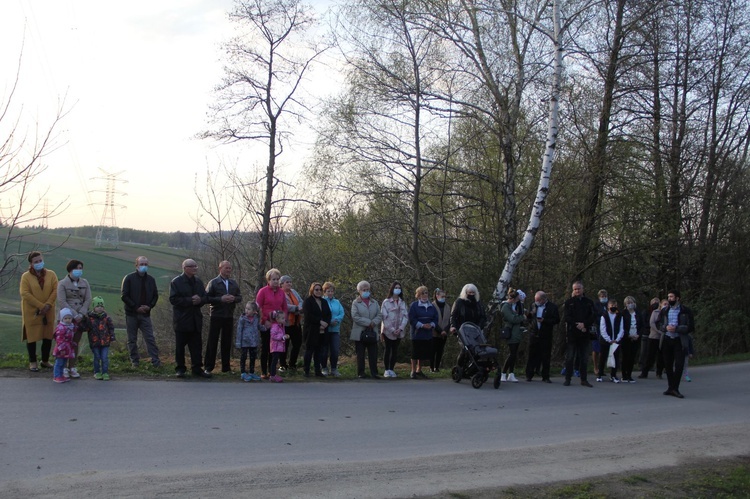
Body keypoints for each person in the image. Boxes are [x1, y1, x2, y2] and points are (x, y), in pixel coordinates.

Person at [169, 258, 211, 379]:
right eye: (192, 266)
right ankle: (180, 369)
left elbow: (205, 297)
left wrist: (200, 300)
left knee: (196, 346)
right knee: (180, 346)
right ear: (185, 268)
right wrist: (190, 300)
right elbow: (173, 299)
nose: (195, 268)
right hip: (182, 319)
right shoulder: (176, 282)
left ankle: (197, 369)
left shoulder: (198, 282)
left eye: (196, 266)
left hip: (195, 319)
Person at [20, 251, 58, 372]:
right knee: (32, 337)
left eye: (40, 260)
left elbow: (55, 290)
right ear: (31, 263)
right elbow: (25, 293)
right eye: (36, 262)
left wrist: (48, 305)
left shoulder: (51, 274)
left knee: (47, 336)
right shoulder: (26, 276)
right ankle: (32, 362)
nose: (39, 263)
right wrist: (41, 306)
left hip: (48, 311)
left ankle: (45, 361)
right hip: (32, 311)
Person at [121, 256, 161, 368]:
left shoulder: (151, 280)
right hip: (132, 314)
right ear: (136, 265)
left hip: (146, 314)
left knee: (150, 338)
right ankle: (135, 362)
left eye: (146, 264)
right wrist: (135, 307)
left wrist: (149, 306)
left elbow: (155, 295)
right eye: (141, 264)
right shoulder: (129, 278)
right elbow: (124, 296)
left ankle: (156, 362)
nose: (144, 266)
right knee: (132, 340)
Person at [204, 261, 242, 374]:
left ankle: (226, 368)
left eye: (230, 268)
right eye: (226, 268)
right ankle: (208, 367)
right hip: (216, 315)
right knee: (212, 342)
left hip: (229, 316)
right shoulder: (213, 283)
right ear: (220, 268)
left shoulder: (233, 283)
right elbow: (206, 298)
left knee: (227, 342)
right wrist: (220, 299)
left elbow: (240, 297)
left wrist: (233, 299)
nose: (228, 270)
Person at [56, 259, 92, 379]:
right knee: (64, 343)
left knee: (75, 343)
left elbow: (88, 299)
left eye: (81, 268)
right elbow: (62, 301)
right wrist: (73, 315)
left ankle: (72, 366)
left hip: (80, 318)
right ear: (71, 269)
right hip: (67, 317)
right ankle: (63, 367)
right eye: (77, 268)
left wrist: (81, 314)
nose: (79, 270)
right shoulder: (62, 283)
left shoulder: (85, 282)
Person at [657, 290, 694, 398]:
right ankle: (670, 387)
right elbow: (659, 324)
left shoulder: (685, 311)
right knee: (668, 365)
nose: (669, 299)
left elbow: (690, 327)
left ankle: (675, 388)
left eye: (671, 297)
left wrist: (677, 329)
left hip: (679, 340)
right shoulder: (664, 310)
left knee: (679, 365)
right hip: (667, 339)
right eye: (668, 297)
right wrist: (665, 327)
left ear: (677, 298)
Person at [255, 268, 287, 380]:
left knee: (274, 349)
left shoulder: (281, 292)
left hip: (278, 325)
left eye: (277, 279)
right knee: (265, 348)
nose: (276, 281)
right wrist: (265, 320)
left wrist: (283, 320)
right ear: (268, 280)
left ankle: (272, 371)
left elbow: (284, 307)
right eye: (273, 279)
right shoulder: (262, 291)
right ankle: (264, 371)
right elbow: (257, 308)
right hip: (267, 324)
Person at [563, 281, 595, 387]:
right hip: (572, 333)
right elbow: (567, 317)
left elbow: (593, 316)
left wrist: (584, 324)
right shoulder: (569, 302)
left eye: (579, 288)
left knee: (584, 358)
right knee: (570, 357)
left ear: (583, 289)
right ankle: (568, 378)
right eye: (575, 289)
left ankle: (584, 379)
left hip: (584, 333)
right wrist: (577, 324)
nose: (577, 290)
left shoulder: (589, 302)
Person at [525, 291, 560, 382]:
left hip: (546, 334)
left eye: (538, 300)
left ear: (544, 299)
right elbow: (529, 318)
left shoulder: (552, 307)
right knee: (532, 354)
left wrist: (545, 320)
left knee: (545, 355)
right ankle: (529, 374)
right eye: (535, 300)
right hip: (534, 333)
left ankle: (545, 376)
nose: (537, 302)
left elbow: (556, 320)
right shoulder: (533, 305)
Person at [350, 280, 382, 379]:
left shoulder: (374, 302)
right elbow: (355, 316)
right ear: (359, 291)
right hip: (360, 332)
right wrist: (368, 322)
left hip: (373, 332)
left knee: (373, 353)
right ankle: (361, 372)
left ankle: (374, 372)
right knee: (361, 354)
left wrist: (374, 322)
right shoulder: (356, 303)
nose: (366, 291)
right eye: (364, 290)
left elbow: (379, 314)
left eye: (368, 289)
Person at [302, 282, 331, 377]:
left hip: (323, 330)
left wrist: (326, 323)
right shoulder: (308, 301)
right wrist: (319, 322)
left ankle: (317, 371)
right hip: (311, 330)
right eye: (316, 290)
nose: (318, 291)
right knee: (309, 351)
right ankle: (306, 370)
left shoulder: (324, 301)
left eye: (320, 290)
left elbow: (328, 314)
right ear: (312, 290)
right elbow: (308, 315)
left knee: (319, 351)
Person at [408, 286, 438, 379]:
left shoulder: (431, 306)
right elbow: (412, 319)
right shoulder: (414, 305)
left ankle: (419, 370)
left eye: (426, 293)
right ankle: (413, 371)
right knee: (415, 352)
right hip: (417, 333)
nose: (425, 295)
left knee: (423, 353)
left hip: (427, 333)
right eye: (423, 293)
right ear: (418, 295)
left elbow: (435, 318)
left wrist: (432, 324)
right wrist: (421, 325)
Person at [380, 281, 408, 378]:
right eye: (396, 287)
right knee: (388, 349)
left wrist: (400, 328)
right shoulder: (386, 302)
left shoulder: (402, 302)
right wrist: (392, 329)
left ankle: (392, 369)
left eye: (399, 288)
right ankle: (386, 369)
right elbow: (385, 317)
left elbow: (405, 316)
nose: (397, 289)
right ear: (392, 289)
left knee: (395, 350)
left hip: (399, 330)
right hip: (388, 331)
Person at [87, 296, 115, 380]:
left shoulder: (106, 318)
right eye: (97, 306)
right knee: (97, 357)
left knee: (104, 358)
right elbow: (86, 328)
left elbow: (111, 328)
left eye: (101, 306)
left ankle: (105, 372)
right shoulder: (90, 318)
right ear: (94, 307)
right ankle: (97, 372)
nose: (100, 308)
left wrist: (112, 337)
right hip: (95, 342)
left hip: (105, 341)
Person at [500, 288, 525, 383]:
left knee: (514, 354)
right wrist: (522, 317)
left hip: (516, 332)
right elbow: (512, 319)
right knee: (512, 353)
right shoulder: (505, 306)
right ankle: (503, 373)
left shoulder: (512, 306)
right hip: (510, 332)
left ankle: (511, 373)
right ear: (513, 299)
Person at [321, 282, 345, 377]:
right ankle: (324, 368)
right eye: (328, 291)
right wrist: (328, 321)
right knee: (324, 350)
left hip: (335, 329)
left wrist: (337, 320)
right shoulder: (322, 301)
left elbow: (341, 313)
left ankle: (334, 368)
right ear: (324, 292)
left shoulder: (337, 302)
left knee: (335, 350)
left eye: (331, 291)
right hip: (325, 329)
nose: (330, 293)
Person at [279, 275, 303, 372]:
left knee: (297, 344)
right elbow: (284, 305)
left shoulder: (294, 292)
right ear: (281, 284)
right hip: (286, 323)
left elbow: (301, 301)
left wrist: (300, 307)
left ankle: (292, 364)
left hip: (296, 322)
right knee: (285, 345)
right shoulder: (280, 293)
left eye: (290, 282)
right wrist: (296, 308)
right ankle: (283, 365)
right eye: (287, 282)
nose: (289, 283)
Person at [598, 298, 624, 383]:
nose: (613, 307)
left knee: (615, 358)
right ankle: (600, 374)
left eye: (615, 306)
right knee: (603, 357)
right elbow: (603, 329)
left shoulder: (619, 316)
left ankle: (613, 375)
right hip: (606, 341)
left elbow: (621, 329)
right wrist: (608, 339)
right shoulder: (604, 316)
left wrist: (617, 339)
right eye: (612, 305)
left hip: (616, 341)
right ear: (608, 306)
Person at [639, 298, 665, 379]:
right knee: (649, 355)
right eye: (664, 304)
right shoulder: (655, 312)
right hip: (654, 336)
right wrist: (658, 331)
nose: (665, 306)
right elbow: (652, 323)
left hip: (663, 337)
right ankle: (644, 372)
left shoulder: (667, 313)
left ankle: (659, 372)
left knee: (661, 356)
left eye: (667, 304)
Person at [620, 296, 644, 383]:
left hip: (636, 337)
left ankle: (629, 375)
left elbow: (642, 325)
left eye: (631, 302)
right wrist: (628, 335)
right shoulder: (623, 313)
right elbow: (622, 327)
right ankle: (624, 375)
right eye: (628, 303)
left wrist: (638, 335)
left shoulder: (638, 313)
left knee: (632, 357)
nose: (630, 304)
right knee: (625, 356)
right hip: (626, 338)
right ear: (625, 304)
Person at [236, 301, 261, 382]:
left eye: (249, 309)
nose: (246, 310)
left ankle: (251, 372)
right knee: (243, 357)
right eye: (246, 308)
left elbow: (258, 326)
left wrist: (265, 327)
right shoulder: (242, 319)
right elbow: (239, 330)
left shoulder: (256, 318)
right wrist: (238, 342)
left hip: (253, 341)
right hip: (244, 341)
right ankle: (243, 372)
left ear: (254, 311)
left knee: (253, 357)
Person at [52, 308, 76, 383]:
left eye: (69, 318)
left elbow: (70, 337)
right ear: (62, 319)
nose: (68, 320)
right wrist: (61, 349)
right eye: (65, 318)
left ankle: (61, 375)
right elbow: (59, 339)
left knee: (64, 362)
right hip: (61, 348)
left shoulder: (70, 326)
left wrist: (72, 343)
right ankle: (57, 376)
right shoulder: (61, 328)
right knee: (59, 362)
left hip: (67, 347)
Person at [430, 288, 450, 373]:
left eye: (445, 296)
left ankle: (437, 367)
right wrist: (439, 330)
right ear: (437, 296)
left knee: (440, 351)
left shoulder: (448, 307)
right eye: (442, 296)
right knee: (432, 351)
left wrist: (445, 330)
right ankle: (431, 367)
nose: (443, 298)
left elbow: (450, 320)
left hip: (444, 334)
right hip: (434, 333)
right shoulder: (432, 305)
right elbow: (431, 319)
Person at [269, 310, 289, 382]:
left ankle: (274, 374)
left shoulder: (281, 326)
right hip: (275, 347)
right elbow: (273, 336)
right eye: (282, 318)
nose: (284, 319)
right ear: (277, 319)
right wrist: (282, 337)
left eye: (284, 318)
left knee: (276, 361)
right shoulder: (275, 326)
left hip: (279, 346)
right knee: (274, 361)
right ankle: (272, 375)